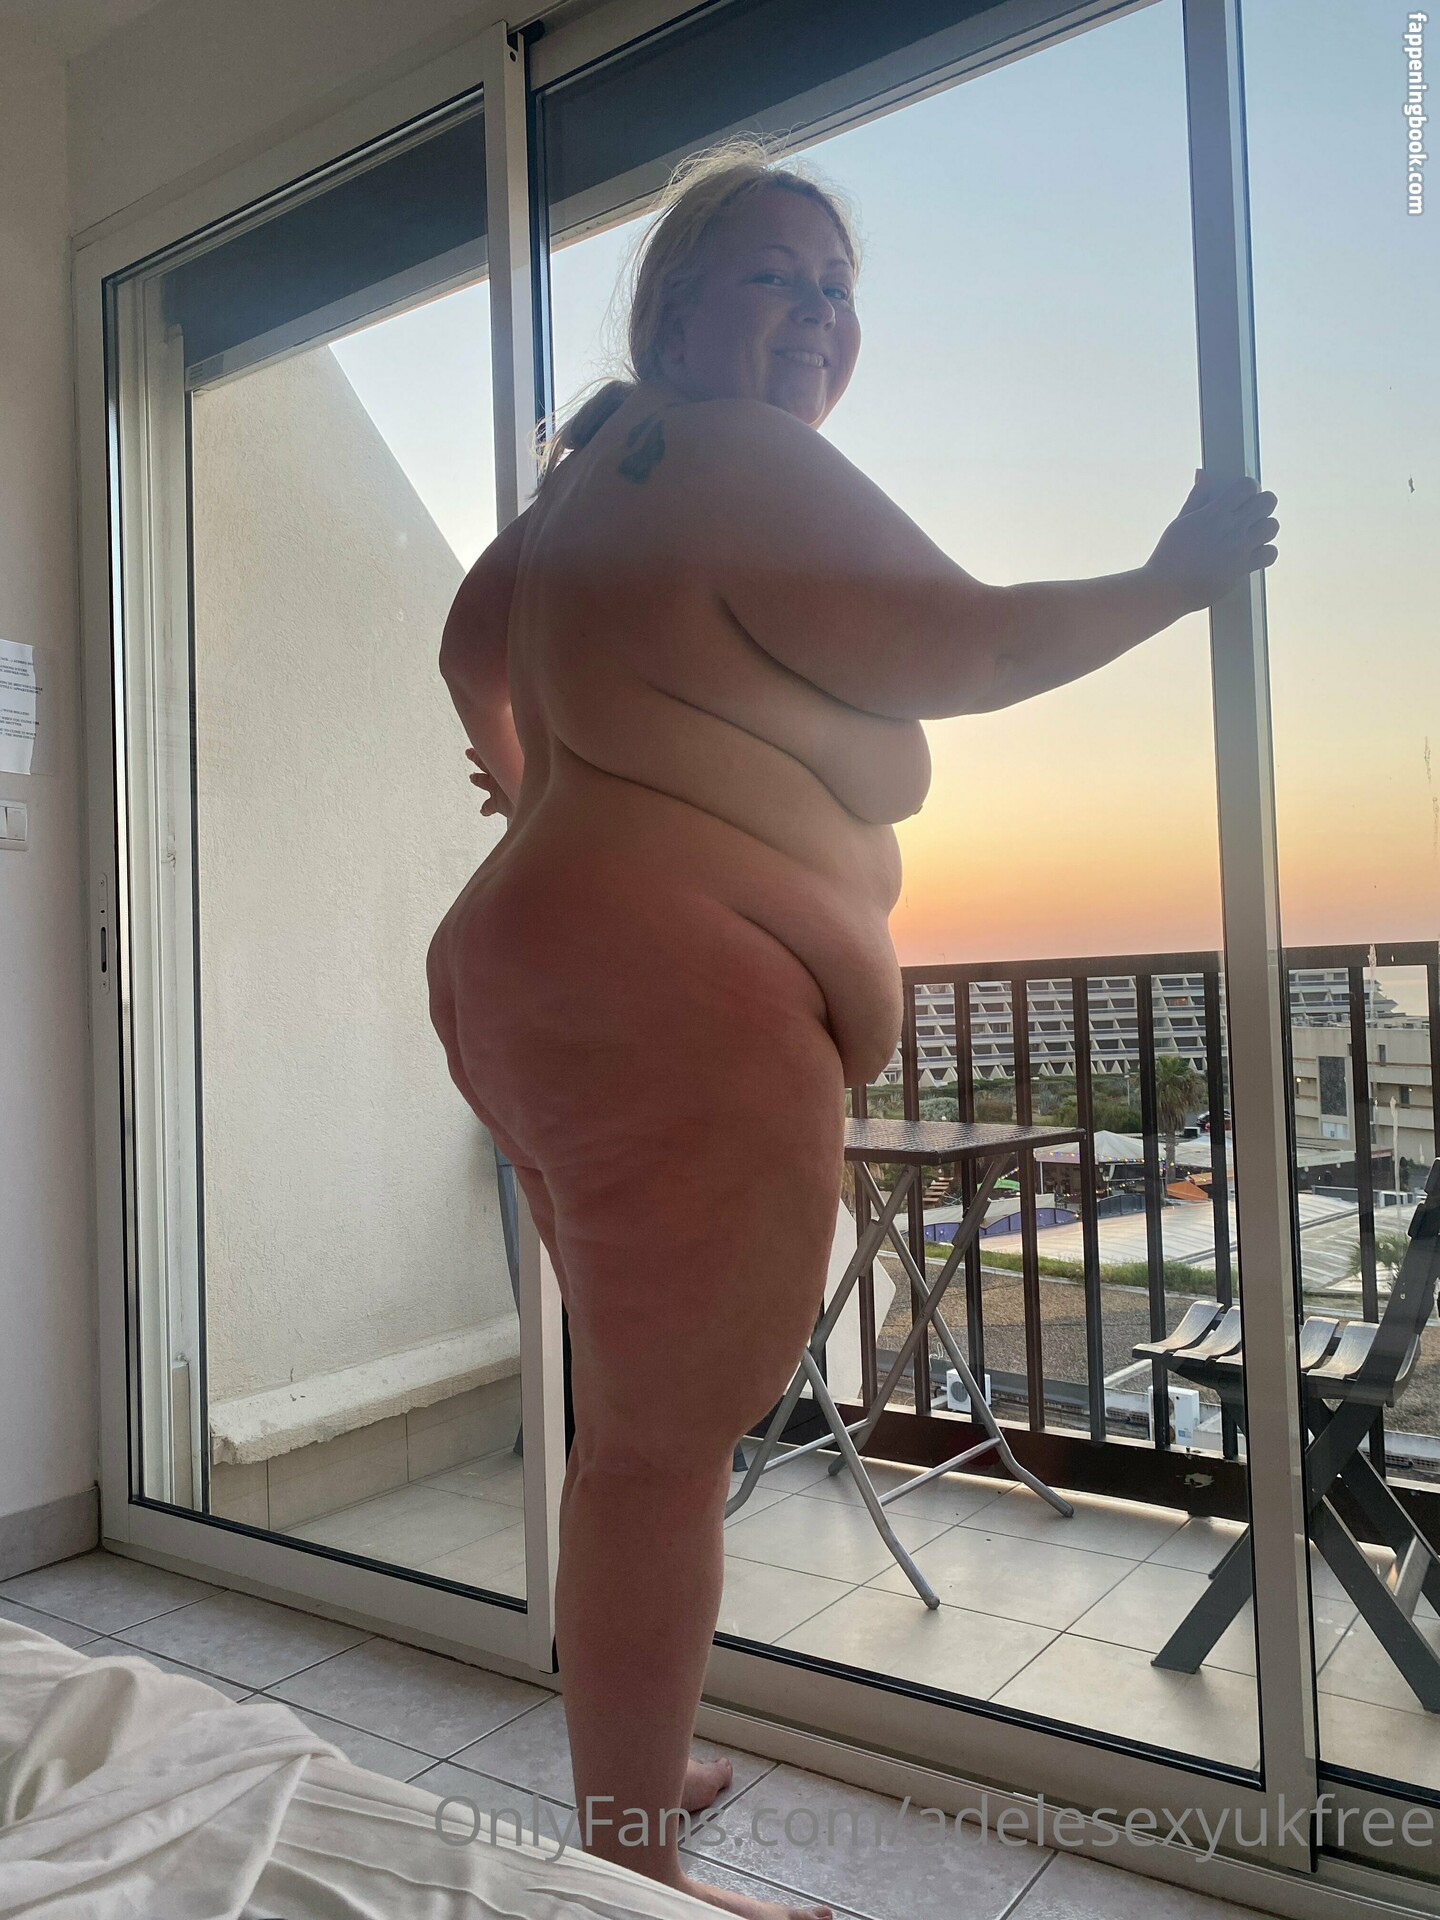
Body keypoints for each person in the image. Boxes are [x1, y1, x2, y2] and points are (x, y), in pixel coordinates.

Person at [426, 136, 1279, 1920]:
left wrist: (535, 788)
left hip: (523, 973)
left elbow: (465, 649)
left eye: (839, 288)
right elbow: (970, 648)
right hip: (663, 1001)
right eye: (778, 277)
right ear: (679, 310)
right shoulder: (735, 453)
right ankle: (636, 1870)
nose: (819, 313)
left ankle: (639, 1771)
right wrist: (1176, 577)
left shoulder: (590, 483)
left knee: (633, 1428)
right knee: (663, 1447)